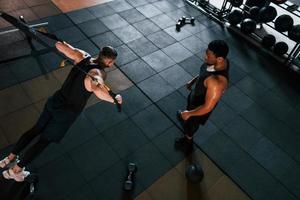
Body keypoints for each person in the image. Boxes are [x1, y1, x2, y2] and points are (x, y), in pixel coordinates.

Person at [0, 42, 122, 182]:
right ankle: (16, 170)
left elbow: (60, 46)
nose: (112, 65)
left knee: (36, 129)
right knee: (44, 140)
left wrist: (60, 42)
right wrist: (114, 99)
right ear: (108, 60)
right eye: (112, 62)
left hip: (55, 101)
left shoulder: (83, 56)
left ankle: (9, 158)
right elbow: (98, 90)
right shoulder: (99, 73)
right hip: (66, 113)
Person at [176, 40, 230, 151]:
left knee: (192, 124)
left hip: (201, 106)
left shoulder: (217, 82)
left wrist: (189, 114)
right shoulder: (216, 62)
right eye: (206, 52)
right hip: (196, 95)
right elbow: (205, 72)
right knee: (188, 112)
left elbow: (207, 107)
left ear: (219, 58)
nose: (205, 56)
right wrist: (193, 81)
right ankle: (185, 116)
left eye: (208, 55)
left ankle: (188, 139)